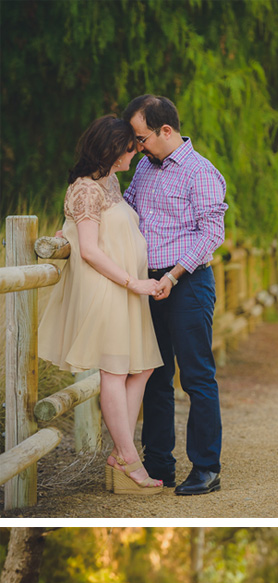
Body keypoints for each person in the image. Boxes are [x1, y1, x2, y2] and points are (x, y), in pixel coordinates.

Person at [38, 116, 165, 495]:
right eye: (131, 145)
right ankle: (129, 459)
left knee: (141, 368)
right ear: (112, 148)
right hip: (109, 288)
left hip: (125, 289)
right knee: (114, 371)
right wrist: (134, 282)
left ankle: (120, 455)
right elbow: (91, 249)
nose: (137, 150)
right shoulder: (85, 190)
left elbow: (91, 231)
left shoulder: (108, 181)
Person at [122, 94, 228, 496]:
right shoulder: (146, 170)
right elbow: (127, 211)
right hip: (148, 284)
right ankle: (159, 464)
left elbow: (212, 233)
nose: (137, 146)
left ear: (166, 130)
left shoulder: (200, 172)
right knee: (154, 374)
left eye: (141, 137)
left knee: (197, 376)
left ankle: (206, 468)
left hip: (187, 283)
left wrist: (173, 274)